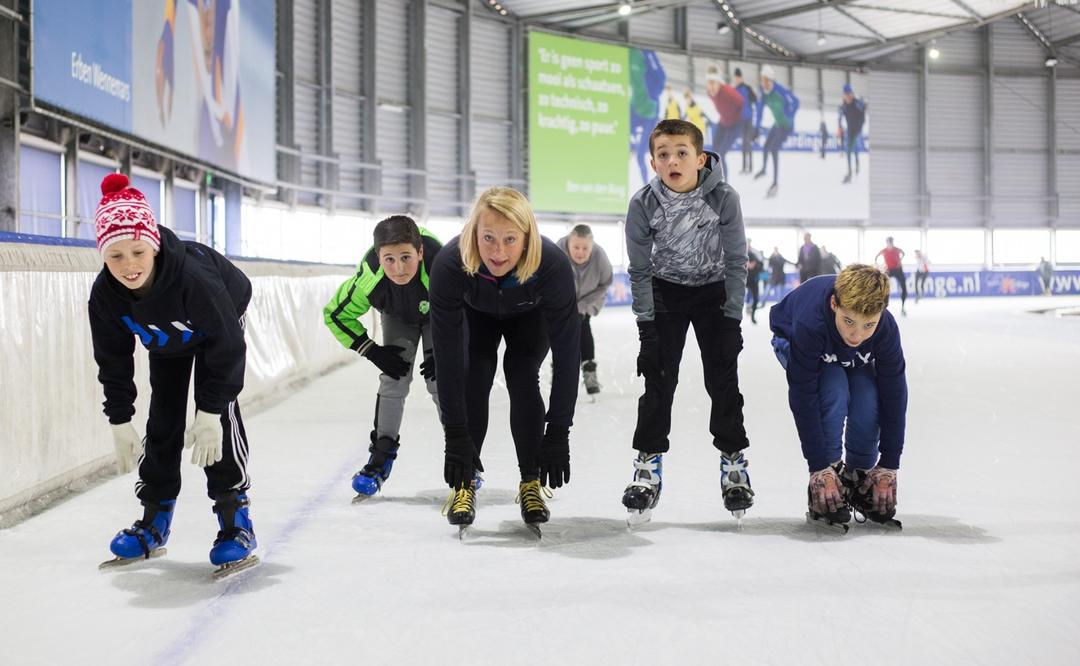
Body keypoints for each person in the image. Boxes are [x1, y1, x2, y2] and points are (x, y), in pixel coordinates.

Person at [89, 174, 257, 574]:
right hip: (167, 339)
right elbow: (112, 358)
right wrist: (119, 419)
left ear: (154, 245)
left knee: (215, 424)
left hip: (219, 325)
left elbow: (228, 346)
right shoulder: (105, 296)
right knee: (162, 420)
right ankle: (155, 519)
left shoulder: (194, 279)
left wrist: (212, 411)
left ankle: (236, 521)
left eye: (137, 252)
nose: (129, 266)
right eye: (116, 256)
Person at [621, 118, 753, 525]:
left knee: (722, 378)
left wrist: (732, 319)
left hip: (713, 291)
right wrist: (647, 328)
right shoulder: (643, 204)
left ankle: (733, 463)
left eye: (681, 153)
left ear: (700, 158)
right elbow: (640, 270)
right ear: (653, 162)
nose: (673, 160)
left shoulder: (724, 198)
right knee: (659, 379)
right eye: (663, 154)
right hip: (667, 292)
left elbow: (736, 261)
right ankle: (648, 465)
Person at [429, 187, 580, 536]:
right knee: (474, 373)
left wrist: (559, 430)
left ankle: (530, 482)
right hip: (475, 315)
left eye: (510, 239)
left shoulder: (553, 266)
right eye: (488, 238)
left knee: (522, 372)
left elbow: (568, 354)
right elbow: (448, 360)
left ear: (527, 237)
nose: (499, 252)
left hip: (530, 316)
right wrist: (454, 434)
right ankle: (464, 483)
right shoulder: (451, 265)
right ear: (473, 234)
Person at [769, 265, 908, 531]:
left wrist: (890, 463)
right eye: (849, 322)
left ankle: (858, 478)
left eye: (869, 325)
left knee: (868, 394)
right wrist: (818, 466)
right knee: (833, 386)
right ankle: (830, 476)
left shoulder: (886, 328)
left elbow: (895, 392)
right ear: (835, 304)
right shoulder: (811, 323)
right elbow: (803, 395)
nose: (857, 335)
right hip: (793, 340)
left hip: (838, 352)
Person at [324, 216, 443, 499]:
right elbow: (336, 314)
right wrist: (372, 350)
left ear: (421, 253)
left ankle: (464, 454)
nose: (399, 268)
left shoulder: (442, 267)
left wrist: (454, 351)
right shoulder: (369, 278)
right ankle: (380, 457)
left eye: (406, 257)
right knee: (394, 379)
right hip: (397, 313)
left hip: (441, 316)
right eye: (389, 259)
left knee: (441, 381)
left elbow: (470, 309)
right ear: (378, 257)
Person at [557, 225, 614, 396]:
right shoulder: (557, 251)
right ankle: (560, 370)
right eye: (576, 247)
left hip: (587, 300)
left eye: (585, 248)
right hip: (562, 301)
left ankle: (589, 372)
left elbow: (605, 283)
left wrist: (582, 307)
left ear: (592, 246)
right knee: (560, 333)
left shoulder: (600, 256)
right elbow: (547, 279)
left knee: (583, 327)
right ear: (568, 243)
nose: (580, 252)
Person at [754, 64, 799, 198]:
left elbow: (796, 102)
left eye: (767, 80)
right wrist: (756, 128)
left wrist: (789, 114)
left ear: (772, 81)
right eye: (763, 80)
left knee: (773, 149)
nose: (765, 83)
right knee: (766, 146)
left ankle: (775, 183)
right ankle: (763, 169)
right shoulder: (763, 93)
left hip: (787, 126)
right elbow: (759, 111)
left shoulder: (781, 91)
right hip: (777, 124)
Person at [705, 66, 745, 181]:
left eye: (713, 83)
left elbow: (743, 103)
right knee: (713, 152)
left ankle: (725, 184)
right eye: (709, 83)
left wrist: (747, 125)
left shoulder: (729, 92)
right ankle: (713, 180)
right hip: (724, 121)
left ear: (719, 83)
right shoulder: (709, 92)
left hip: (737, 123)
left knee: (721, 152)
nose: (710, 87)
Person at [838, 83, 867, 184]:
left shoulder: (856, 103)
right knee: (849, 150)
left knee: (852, 148)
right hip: (850, 130)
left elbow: (863, 114)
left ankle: (856, 166)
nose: (847, 96)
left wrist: (860, 128)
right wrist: (840, 125)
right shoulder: (844, 105)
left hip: (857, 130)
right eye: (846, 94)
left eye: (849, 94)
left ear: (851, 94)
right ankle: (850, 172)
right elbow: (840, 116)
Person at [732, 68, 758, 174]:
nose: (737, 79)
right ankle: (744, 167)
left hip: (749, 119)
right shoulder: (734, 90)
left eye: (738, 77)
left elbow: (755, 99)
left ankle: (750, 167)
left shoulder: (747, 88)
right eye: (735, 78)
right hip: (740, 120)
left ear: (741, 78)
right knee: (743, 143)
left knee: (748, 142)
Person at [876, 236, 907, 316]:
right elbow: (876, 257)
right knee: (882, 287)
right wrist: (880, 265)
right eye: (888, 242)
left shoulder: (896, 249)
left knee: (904, 288)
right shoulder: (884, 250)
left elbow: (903, 253)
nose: (890, 243)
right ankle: (881, 306)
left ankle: (903, 307)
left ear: (892, 242)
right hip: (889, 270)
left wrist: (900, 260)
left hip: (898, 269)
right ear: (887, 242)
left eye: (891, 241)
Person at [746, 238, 766, 324]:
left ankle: (753, 315)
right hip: (743, 279)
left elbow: (759, 265)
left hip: (753, 279)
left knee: (756, 298)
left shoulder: (754, 254)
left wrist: (753, 265)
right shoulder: (739, 253)